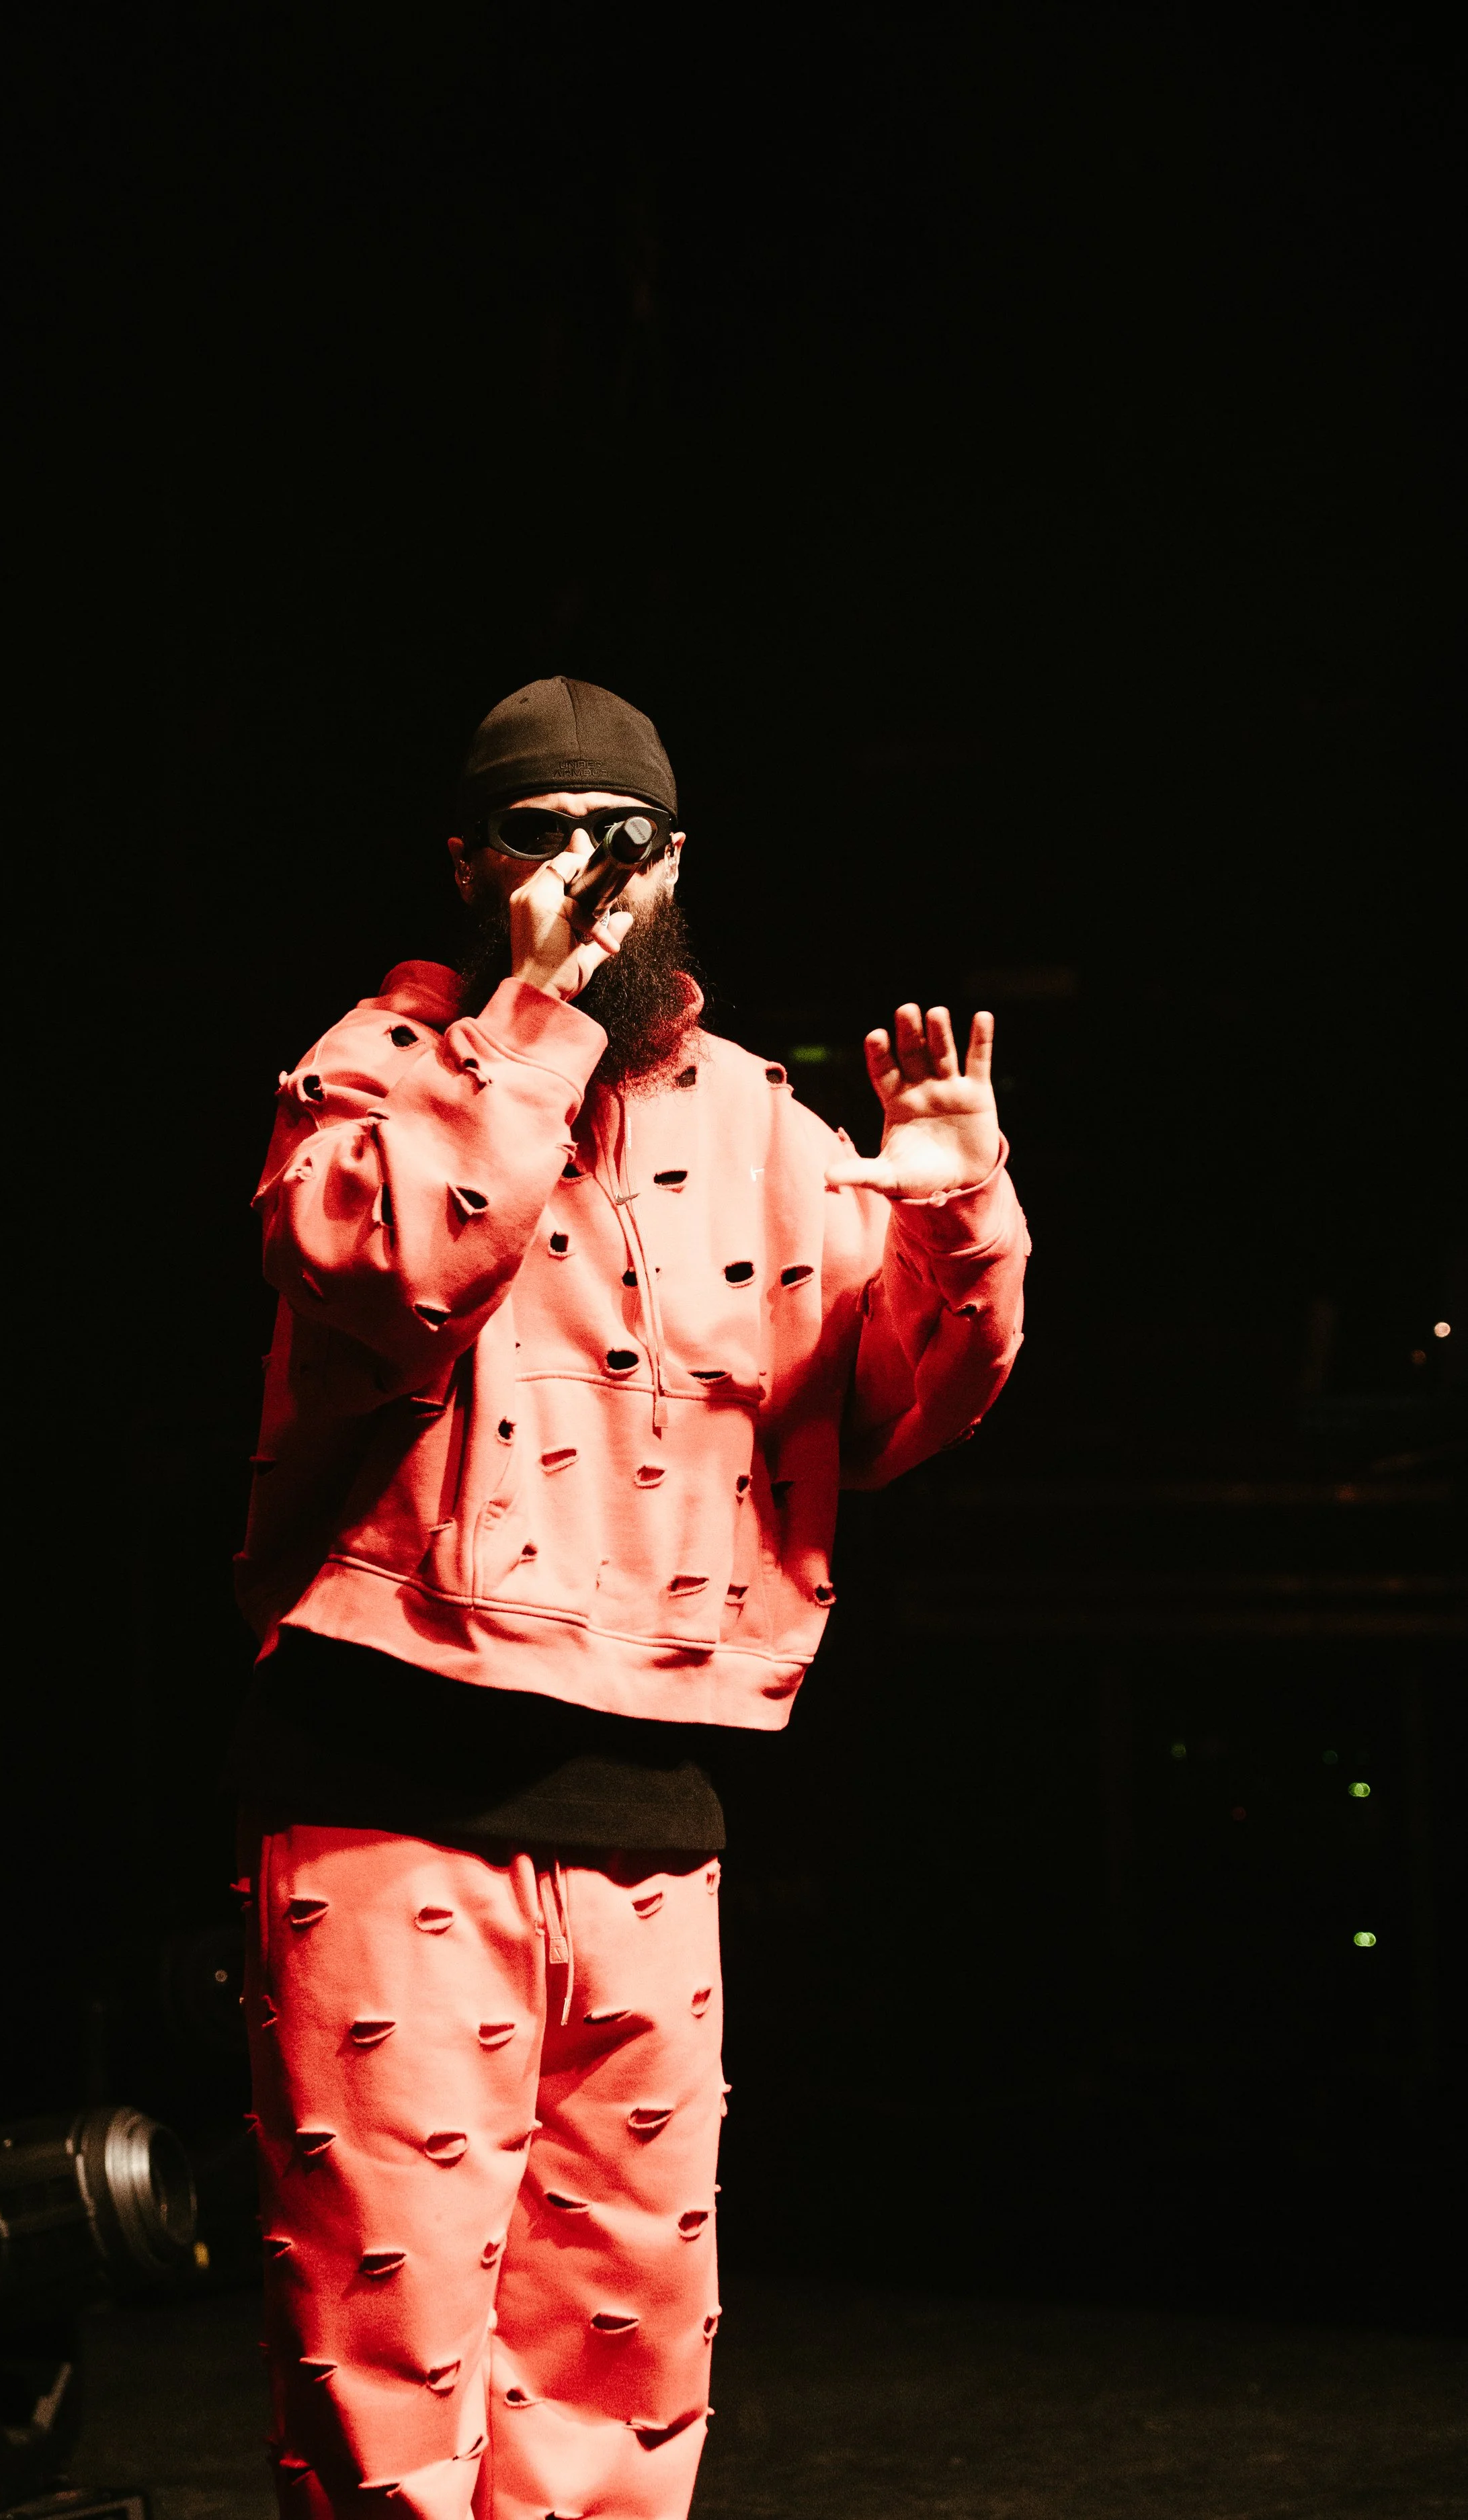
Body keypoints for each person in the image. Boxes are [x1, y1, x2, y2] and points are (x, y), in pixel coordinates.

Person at [229, 676, 1029, 2520]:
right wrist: (526, 1020)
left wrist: (960, 1213)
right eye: (540, 828)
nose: (587, 865)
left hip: (652, 1806)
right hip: (388, 1792)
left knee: (622, 2364)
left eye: (622, 834)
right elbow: (389, 1261)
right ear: (464, 856)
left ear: (679, 861)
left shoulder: (762, 1118)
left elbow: (901, 1411)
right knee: (396, 2370)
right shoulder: (375, 1067)